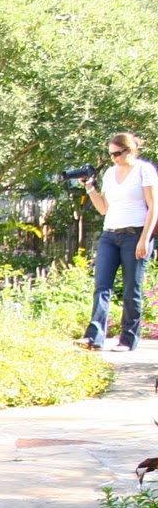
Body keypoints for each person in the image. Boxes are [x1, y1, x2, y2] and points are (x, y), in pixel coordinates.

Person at [80, 132, 158, 351]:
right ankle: (94, 337)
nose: (113, 158)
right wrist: (89, 188)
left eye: (117, 154)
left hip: (135, 234)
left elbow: (154, 206)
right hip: (110, 234)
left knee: (131, 288)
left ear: (130, 150)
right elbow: (104, 208)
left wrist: (145, 238)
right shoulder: (111, 173)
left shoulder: (144, 170)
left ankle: (128, 339)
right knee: (101, 285)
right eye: (110, 154)